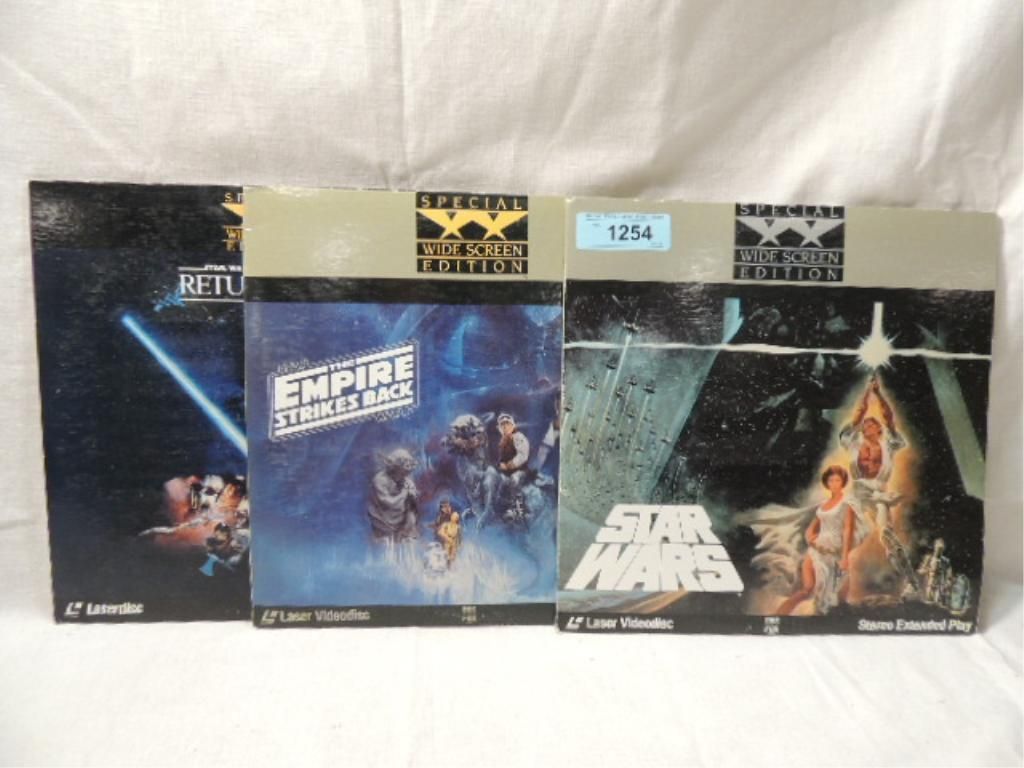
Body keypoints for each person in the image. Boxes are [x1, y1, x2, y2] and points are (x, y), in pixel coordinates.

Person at [776, 465, 861, 615]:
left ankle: (825, 618)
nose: (834, 484)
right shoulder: (823, 505)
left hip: (834, 552)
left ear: (843, 482)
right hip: (817, 549)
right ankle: (778, 615)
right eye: (831, 480)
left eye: (837, 480)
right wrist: (810, 537)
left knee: (833, 596)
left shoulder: (847, 503)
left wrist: (845, 557)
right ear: (826, 483)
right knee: (807, 589)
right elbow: (812, 528)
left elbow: (848, 530)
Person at [839, 374, 905, 530]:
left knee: (884, 522)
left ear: (879, 429)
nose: (865, 427)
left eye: (870, 424)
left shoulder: (888, 444)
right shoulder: (854, 443)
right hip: (858, 489)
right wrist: (867, 390)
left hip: (879, 489)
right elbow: (859, 413)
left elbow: (888, 418)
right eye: (864, 426)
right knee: (852, 525)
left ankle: (888, 539)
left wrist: (878, 393)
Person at [367, 449, 419, 541]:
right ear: (396, 467)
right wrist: (404, 493)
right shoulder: (380, 480)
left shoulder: (407, 481)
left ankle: (406, 535)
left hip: (402, 516)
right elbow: (389, 502)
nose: (405, 475)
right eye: (403, 471)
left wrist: (412, 495)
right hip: (382, 517)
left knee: (411, 517)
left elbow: (414, 499)